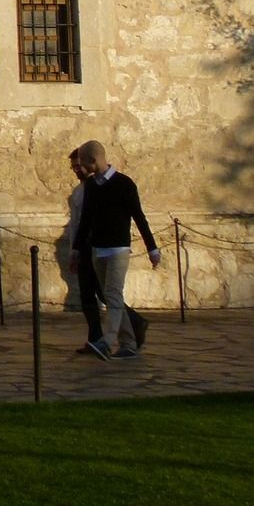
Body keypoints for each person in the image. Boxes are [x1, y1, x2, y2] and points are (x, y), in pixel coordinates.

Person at [70, 140, 161, 359]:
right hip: (97, 250)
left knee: (111, 294)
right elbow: (86, 221)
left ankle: (107, 340)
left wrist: (152, 248)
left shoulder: (124, 184)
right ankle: (129, 344)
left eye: (84, 163)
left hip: (118, 249)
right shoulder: (91, 186)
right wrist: (76, 250)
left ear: (94, 160)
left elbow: (139, 216)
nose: (81, 168)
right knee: (113, 298)